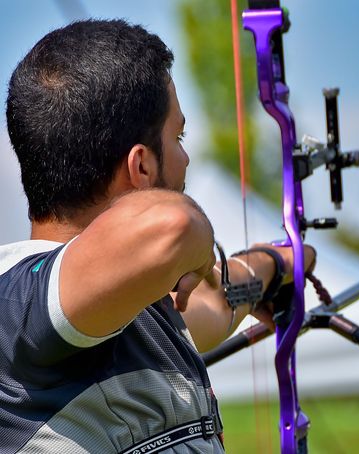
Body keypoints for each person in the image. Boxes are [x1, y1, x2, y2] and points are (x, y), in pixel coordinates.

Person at [0, 19, 314, 453]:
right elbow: (175, 225)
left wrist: (279, 264)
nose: (185, 158)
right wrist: (200, 253)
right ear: (142, 167)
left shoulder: (130, 301)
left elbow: (216, 303)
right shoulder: (21, 303)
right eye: (178, 136)